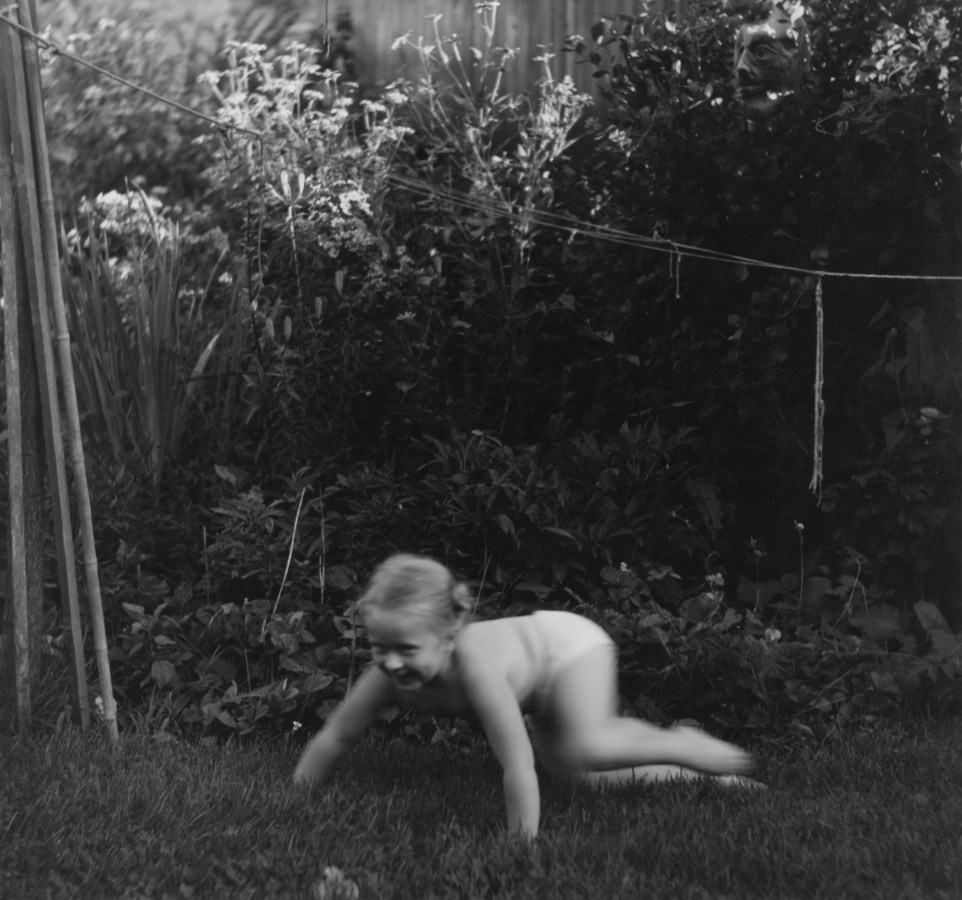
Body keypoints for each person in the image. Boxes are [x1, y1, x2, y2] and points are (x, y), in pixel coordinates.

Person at [293, 554, 758, 838]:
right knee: (585, 778)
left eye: (407, 649)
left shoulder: (477, 669)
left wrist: (520, 845)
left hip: (566, 649)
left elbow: (516, 763)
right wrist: (297, 797)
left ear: (450, 635)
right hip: (536, 689)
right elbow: (337, 735)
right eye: (379, 647)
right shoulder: (386, 674)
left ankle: (681, 742)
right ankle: (700, 777)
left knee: (588, 746)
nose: (391, 662)